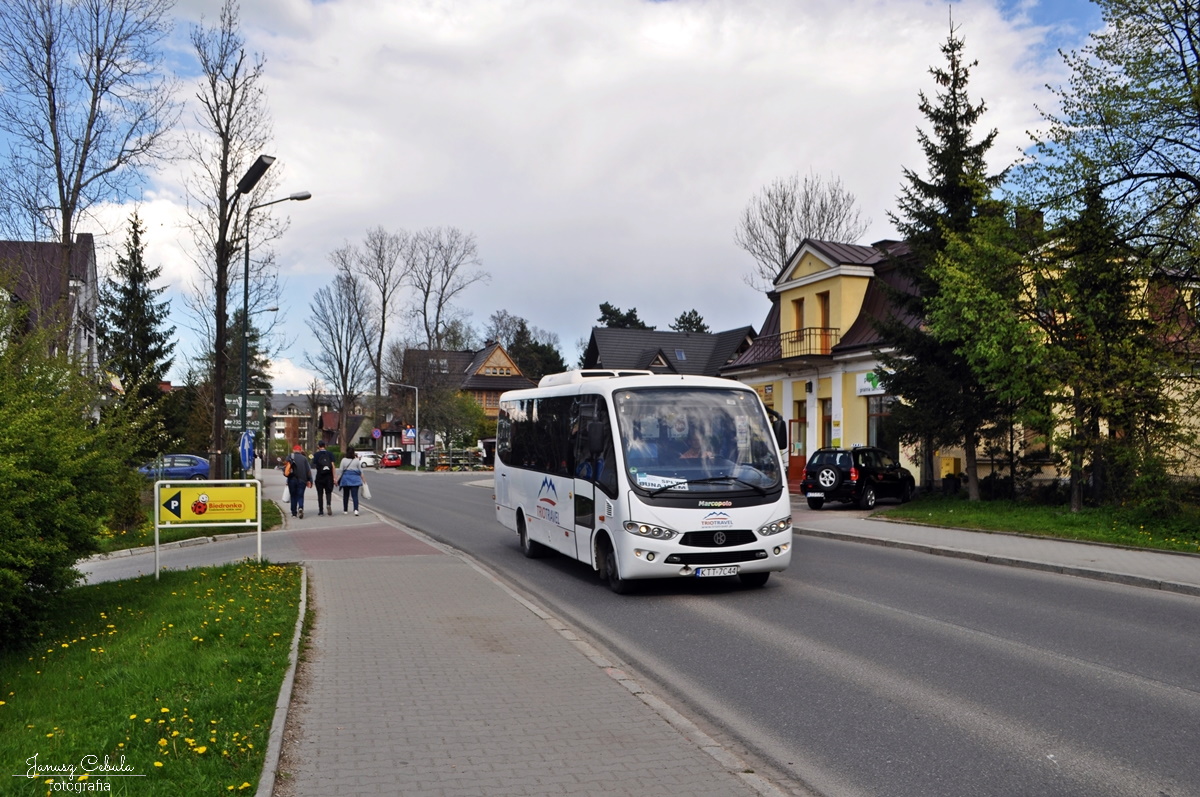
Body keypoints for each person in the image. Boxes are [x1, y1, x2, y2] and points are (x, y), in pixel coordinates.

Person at [285, 444, 313, 519]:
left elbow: (287, 468)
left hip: (292, 480)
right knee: (300, 495)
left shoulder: (289, 457)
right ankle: (300, 507)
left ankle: (294, 513)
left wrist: (287, 480)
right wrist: (309, 480)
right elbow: (308, 471)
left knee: (293, 496)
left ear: (293, 450)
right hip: (302, 480)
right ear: (300, 451)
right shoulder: (304, 459)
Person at [337, 446, 364, 516]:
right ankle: (356, 510)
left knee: (346, 495)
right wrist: (364, 480)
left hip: (346, 479)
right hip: (355, 480)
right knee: (355, 496)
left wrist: (336, 480)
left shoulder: (343, 460)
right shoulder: (357, 460)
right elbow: (361, 471)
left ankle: (345, 510)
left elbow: (340, 471)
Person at [311, 440, 337, 516]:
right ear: (325, 446)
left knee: (320, 494)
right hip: (329, 477)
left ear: (318, 446)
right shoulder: (330, 454)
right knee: (328, 492)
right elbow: (333, 466)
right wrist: (334, 477)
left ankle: (321, 511)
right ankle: (328, 504)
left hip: (320, 477)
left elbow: (314, 466)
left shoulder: (316, 455)